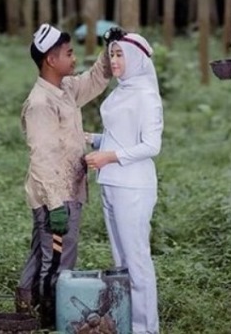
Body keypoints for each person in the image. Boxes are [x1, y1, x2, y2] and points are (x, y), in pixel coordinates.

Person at [15, 23, 112, 327]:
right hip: (55, 195)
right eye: (69, 53)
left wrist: (110, 52)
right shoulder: (40, 104)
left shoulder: (65, 89)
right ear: (50, 60)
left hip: (67, 189)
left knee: (41, 252)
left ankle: (24, 306)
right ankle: (48, 318)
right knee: (57, 260)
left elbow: (95, 80)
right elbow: (41, 157)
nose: (74, 58)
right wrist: (56, 204)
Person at [84, 29, 162, 334]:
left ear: (136, 58)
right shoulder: (122, 90)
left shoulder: (146, 95)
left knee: (137, 263)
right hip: (112, 184)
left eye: (119, 55)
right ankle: (128, 324)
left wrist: (109, 157)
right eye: (111, 54)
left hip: (133, 188)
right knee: (121, 262)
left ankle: (146, 329)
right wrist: (94, 140)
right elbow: (122, 136)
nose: (113, 60)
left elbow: (151, 145)